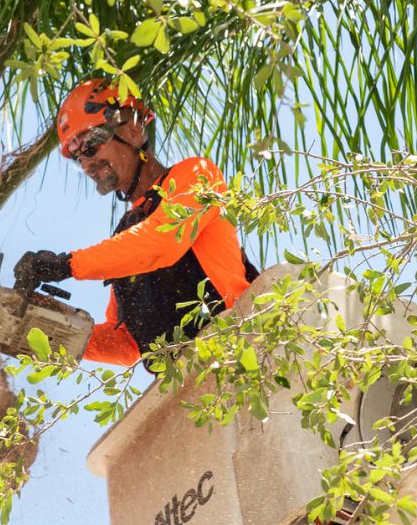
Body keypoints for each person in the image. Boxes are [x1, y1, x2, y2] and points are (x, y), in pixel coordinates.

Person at [14, 78, 257, 366]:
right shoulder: (126, 236)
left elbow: (162, 242)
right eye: (78, 156)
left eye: (91, 144)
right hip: (191, 388)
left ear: (133, 129)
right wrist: (39, 329)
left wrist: (68, 264)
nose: (87, 163)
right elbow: (126, 342)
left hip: (241, 349)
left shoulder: (196, 175)